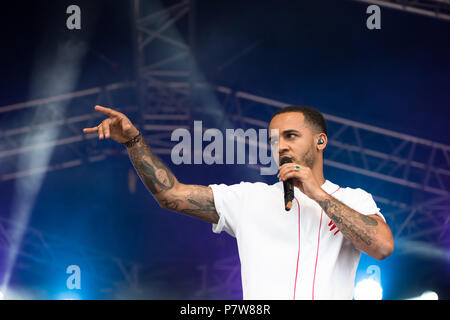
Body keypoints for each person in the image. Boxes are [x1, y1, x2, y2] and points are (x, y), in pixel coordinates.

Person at [83, 105, 394, 300]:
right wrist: (134, 142)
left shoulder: (352, 198)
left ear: (320, 141)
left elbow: (382, 247)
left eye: (291, 136)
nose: (281, 147)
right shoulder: (249, 198)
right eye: (275, 140)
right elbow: (171, 195)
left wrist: (318, 194)